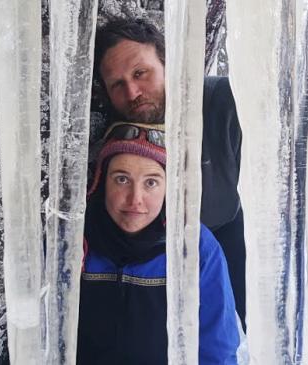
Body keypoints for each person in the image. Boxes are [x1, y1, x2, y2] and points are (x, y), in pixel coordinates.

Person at [92, 18, 246, 330]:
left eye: (140, 73)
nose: (133, 92)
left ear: (168, 64)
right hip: (150, 261)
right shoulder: (111, 137)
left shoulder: (225, 105)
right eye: (117, 85)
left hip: (226, 232)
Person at [77, 123, 239, 365]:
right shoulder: (75, 243)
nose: (135, 199)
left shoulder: (195, 248)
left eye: (151, 183)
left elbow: (216, 351)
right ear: (101, 184)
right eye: (122, 179)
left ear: (168, 190)